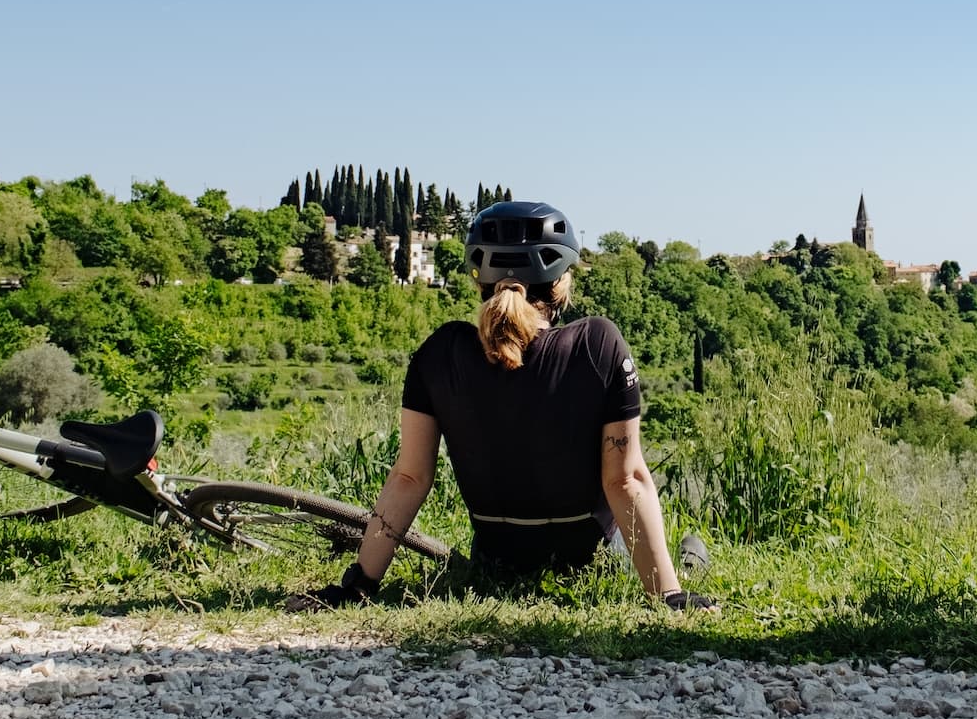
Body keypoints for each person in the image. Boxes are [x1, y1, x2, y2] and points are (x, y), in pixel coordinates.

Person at [303, 200, 712, 610]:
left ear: (480, 279)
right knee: (689, 549)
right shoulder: (597, 343)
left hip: (496, 566)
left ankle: (687, 560)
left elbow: (409, 478)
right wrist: (668, 596)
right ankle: (686, 566)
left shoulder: (439, 353)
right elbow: (625, 481)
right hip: (591, 565)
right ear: (561, 283)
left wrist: (358, 586)